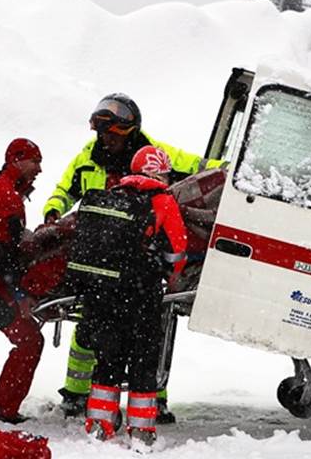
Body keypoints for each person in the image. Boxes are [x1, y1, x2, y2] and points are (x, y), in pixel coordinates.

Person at [46, 93, 220, 422]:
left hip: (115, 269)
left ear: (129, 131)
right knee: (110, 336)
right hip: (112, 265)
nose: (104, 140)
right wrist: (54, 211)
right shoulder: (88, 158)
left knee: (133, 338)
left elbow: (203, 170)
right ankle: (77, 394)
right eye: (101, 133)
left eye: (111, 134)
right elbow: (64, 189)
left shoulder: (154, 156)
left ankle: (143, 402)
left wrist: (235, 173)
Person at [70, 146, 188, 447]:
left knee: (108, 357)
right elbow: (177, 250)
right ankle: (141, 429)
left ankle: (99, 423)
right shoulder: (163, 201)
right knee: (143, 360)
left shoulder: (113, 194)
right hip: (141, 292)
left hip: (104, 292)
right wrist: (169, 279)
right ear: (160, 172)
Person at [0, 138, 44, 424]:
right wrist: (20, 294)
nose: (39, 169)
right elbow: (2, 254)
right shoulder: (6, 197)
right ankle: (3, 407)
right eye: (35, 161)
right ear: (16, 159)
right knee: (30, 342)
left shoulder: (0, 188)